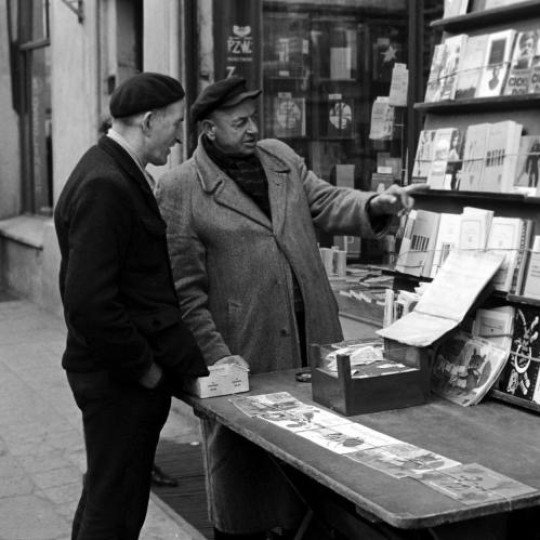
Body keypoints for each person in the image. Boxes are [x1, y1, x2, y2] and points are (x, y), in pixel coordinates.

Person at [156, 76, 424, 540]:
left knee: (323, 470)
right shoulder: (182, 188)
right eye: (239, 122)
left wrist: (375, 203)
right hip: (246, 353)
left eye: (253, 118)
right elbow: (185, 292)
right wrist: (218, 357)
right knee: (249, 480)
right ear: (209, 129)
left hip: (314, 338)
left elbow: (327, 201)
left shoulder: (280, 159)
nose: (252, 129)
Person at [54, 72, 208, 540]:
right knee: (114, 511)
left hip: (114, 376)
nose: (181, 137)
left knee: (108, 498)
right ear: (147, 121)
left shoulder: (112, 169)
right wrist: (146, 370)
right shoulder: (107, 182)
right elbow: (89, 302)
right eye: (176, 123)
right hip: (117, 380)